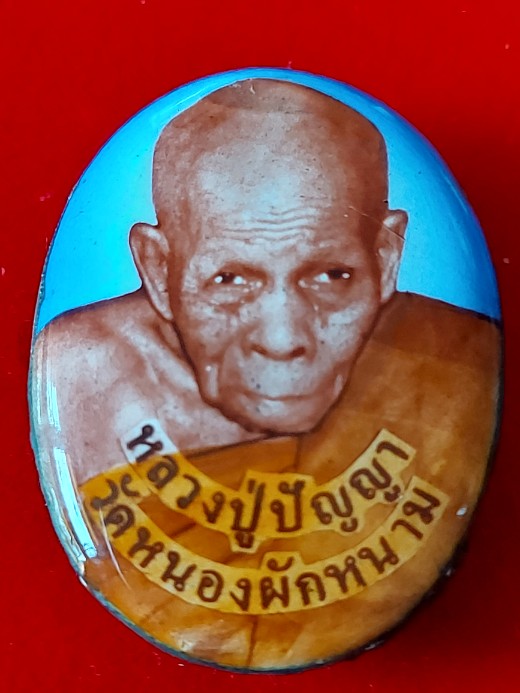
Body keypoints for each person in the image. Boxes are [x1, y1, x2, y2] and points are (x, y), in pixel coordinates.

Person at [31, 79, 501, 670]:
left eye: (331, 277)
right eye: (230, 280)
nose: (283, 339)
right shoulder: (87, 373)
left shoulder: (446, 362)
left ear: (385, 260)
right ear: (158, 269)